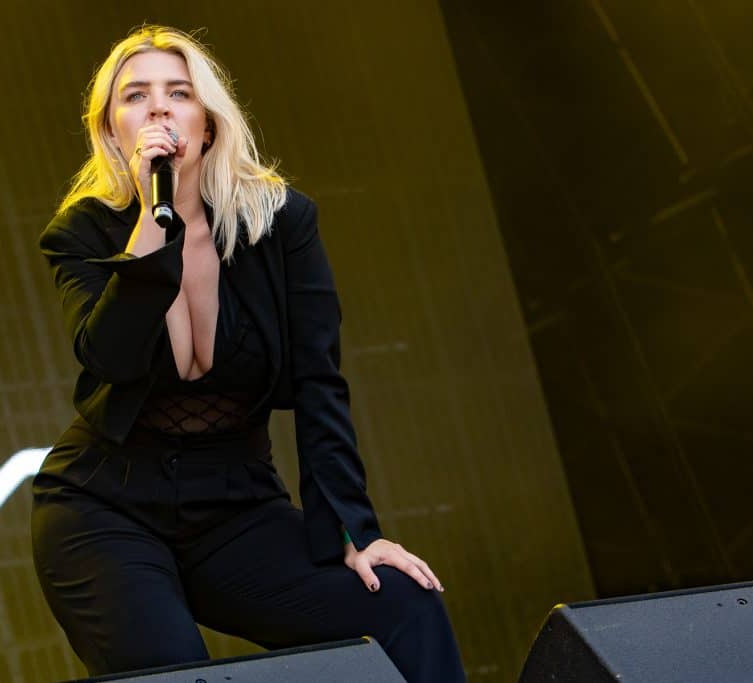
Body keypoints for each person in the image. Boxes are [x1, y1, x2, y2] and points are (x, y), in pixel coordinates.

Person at [31, 25, 465, 682]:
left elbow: (319, 381)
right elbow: (110, 356)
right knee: (179, 672)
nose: (158, 107)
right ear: (112, 132)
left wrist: (355, 531)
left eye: (179, 93)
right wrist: (151, 221)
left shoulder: (280, 222)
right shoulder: (82, 232)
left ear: (207, 122)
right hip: (103, 511)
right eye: (136, 96)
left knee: (406, 603)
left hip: (235, 511)